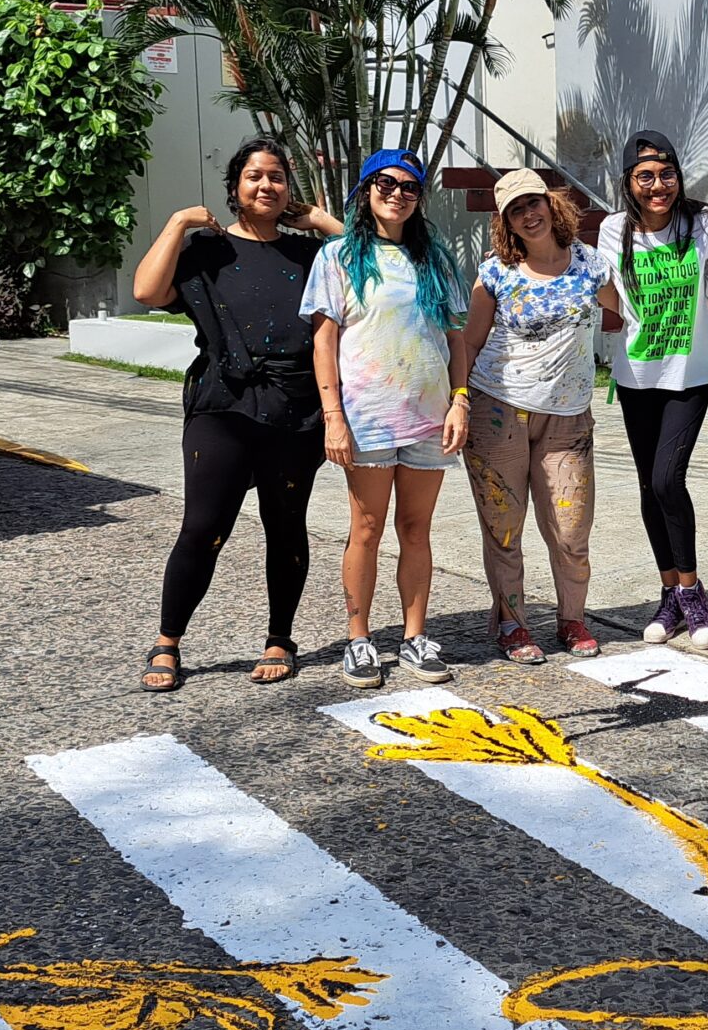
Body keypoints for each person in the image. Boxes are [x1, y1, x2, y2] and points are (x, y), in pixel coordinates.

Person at [129, 139, 340, 693]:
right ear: (235, 188)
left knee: (285, 524)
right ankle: (168, 640)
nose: (266, 185)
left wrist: (319, 220)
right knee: (203, 526)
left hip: (296, 408)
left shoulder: (308, 254)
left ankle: (280, 638)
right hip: (222, 404)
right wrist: (177, 222)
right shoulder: (206, 250)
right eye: (253, 176)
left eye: (276, 177)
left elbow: (378, 257)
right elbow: (147, 290)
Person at [303, 148, 471, 689]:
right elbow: (324, 342)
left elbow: (456, 338)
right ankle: (358, 639)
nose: (396, 193)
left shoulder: (435, 259)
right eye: (384, 183)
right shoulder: (338, 257)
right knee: (367, 529)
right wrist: (334, 416)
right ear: (364, 190)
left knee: (416, 529)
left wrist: (460, 401)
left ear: (419, 198)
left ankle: (414, 637)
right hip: (369, 419)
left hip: (429, 418)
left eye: (408, 186)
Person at [458, 169, 618, 664]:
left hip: (568, 418)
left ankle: (571, 618)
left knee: (571, 532)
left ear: (552, 205)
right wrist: (459, 397)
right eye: (515, 210)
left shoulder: (591, 264)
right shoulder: (496, 273)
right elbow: (469, 341)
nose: (529, 215)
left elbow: (629, 309)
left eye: (534, 203)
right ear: (506, 222)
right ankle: (512, 622)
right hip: (496, 411)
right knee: (504, 528)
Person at [597, 131, 708, 649]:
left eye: (666, 174)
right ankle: (669, 593)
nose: (658, 186)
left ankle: (693, 594)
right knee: (650, 487)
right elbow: (607, 290)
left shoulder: (702, 223)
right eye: (645, 176)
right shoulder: (613, 229)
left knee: (669, 479)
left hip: (689, 375)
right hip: (635, 376)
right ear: (629, 182)